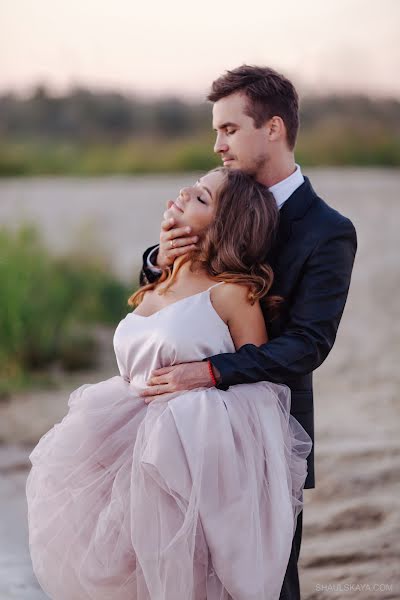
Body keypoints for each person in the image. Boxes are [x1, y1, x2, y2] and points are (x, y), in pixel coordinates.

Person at [26, 166, 313, 600]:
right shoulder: (159, 276)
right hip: (123, 452)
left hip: (191, 460)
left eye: (201, 198)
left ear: (224, 225)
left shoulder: (233, 294)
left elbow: (261, 389)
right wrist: (161, 261)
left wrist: (193, 401)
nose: (184, 193)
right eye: (192, 188)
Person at [140, 65, 358, 600]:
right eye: (216, 131)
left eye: (229, 129)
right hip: (176, 436)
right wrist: (156, 261)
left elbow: (309, 344)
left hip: (271, 433)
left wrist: (210, 372)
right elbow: (170, 299)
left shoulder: (328, 231)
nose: (217, 145)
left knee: (266, 582)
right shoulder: (213, 198)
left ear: (275, 128)